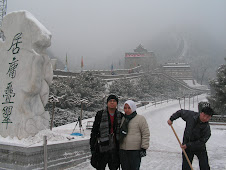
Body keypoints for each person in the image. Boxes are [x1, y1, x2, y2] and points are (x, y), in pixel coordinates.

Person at [167, 103, 214, 170]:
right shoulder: (191, 116)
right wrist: (171, 119)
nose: (205, 118)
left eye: (208, 117)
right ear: (201, 113)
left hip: (199, 148)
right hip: (187, 145)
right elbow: (180, 112)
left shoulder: (207, 129)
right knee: (186, 167)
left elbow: (201, 142)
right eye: (204, 115)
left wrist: (188, 145)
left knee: (204, 166)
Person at [90, 94, 123, 170]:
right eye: (110, 101)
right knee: (100, 167)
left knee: (114, 167)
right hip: (102, 147)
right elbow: (94, 131)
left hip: (115, 148)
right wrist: (92, 146)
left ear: (117, 103)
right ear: (107, 103)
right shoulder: (100, 114)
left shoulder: (120, 115)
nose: (112, 102)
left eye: (114, 101)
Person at [119, 100, 150, 170]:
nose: (127, 110)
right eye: (125, 108)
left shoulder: (140, 119)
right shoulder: (123, 118)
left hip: (135, 151)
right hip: (123, 150)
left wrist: (144, 148)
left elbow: (145, 134)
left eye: (129, 108)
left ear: (133, 108)